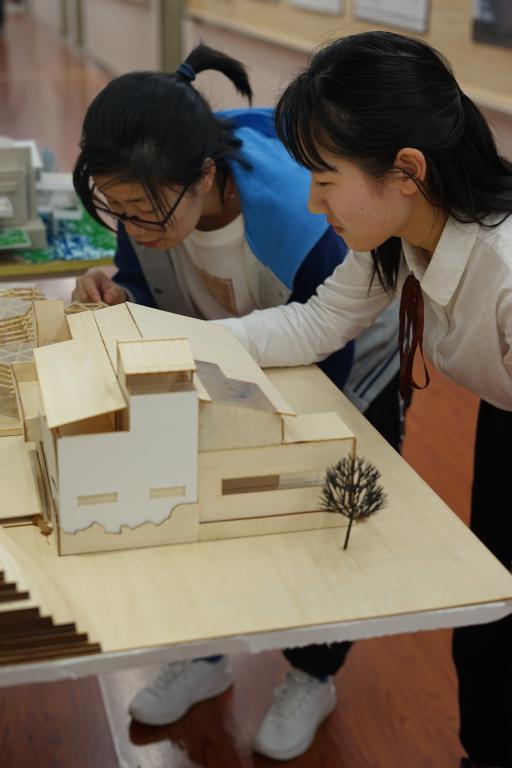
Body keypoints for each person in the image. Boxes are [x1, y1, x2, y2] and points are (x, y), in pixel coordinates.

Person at [72, 43, 404, 761]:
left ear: (205, 175)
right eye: (117, 210)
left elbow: (326, 357)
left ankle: (312, 674)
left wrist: (241, 421)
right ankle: (203, 653)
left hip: (345, 368)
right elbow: (143, 281)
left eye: (145, 211)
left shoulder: (297, 222)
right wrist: (116, 292)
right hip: (234, 358)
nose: (133, 225)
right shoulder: (148, 195)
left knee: (325, 518)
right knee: (195, 510)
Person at [214, 31, 512, 768]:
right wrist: (182, 342)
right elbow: (316, 322)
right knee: (491, 619)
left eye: (325, 179)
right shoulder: (397, 230)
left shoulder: (504, 269)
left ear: (406, 170)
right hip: (503, 410)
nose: (313, 203)